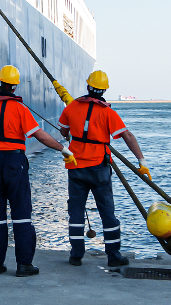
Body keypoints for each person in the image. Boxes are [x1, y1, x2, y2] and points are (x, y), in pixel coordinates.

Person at [0, 65, 76, 277]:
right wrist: (64, 149)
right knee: (22, 215)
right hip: (15, 162)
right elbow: (40, 136)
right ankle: (24, 265)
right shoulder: (21, 110)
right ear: (15, 87)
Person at [57, 70, 150, 267]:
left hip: (76, 168)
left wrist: (71, 135)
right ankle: (114, 256)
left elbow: (64, 131)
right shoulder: (108, 112)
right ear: (104, 89)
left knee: (75, 212)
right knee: (107, 212)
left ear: (88, 85)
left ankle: (76, 255)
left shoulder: (71, 107)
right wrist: (141, 161)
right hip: (99, 168)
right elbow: (128, 136)